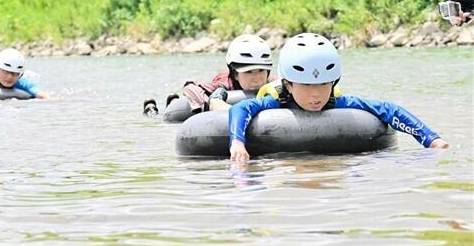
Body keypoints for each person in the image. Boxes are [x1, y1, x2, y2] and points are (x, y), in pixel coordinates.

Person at [228, 33, 449, 161]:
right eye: (306, 85)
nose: (316, 94)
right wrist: (237, 142)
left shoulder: (336, 101)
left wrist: (431, 139)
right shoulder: (276, 99)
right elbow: (241, 109)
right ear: (288, 84)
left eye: (324, 84)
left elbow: (388, 110)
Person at [143, 34, 277, 115]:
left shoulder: (271, 82)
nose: (257, 78)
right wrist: (208, 104)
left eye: (261, 70)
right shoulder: (223, 84)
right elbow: (190, 86)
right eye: (248, 72)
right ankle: (158, 106)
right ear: (235, 74)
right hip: (180, 110)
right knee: (165, 112)